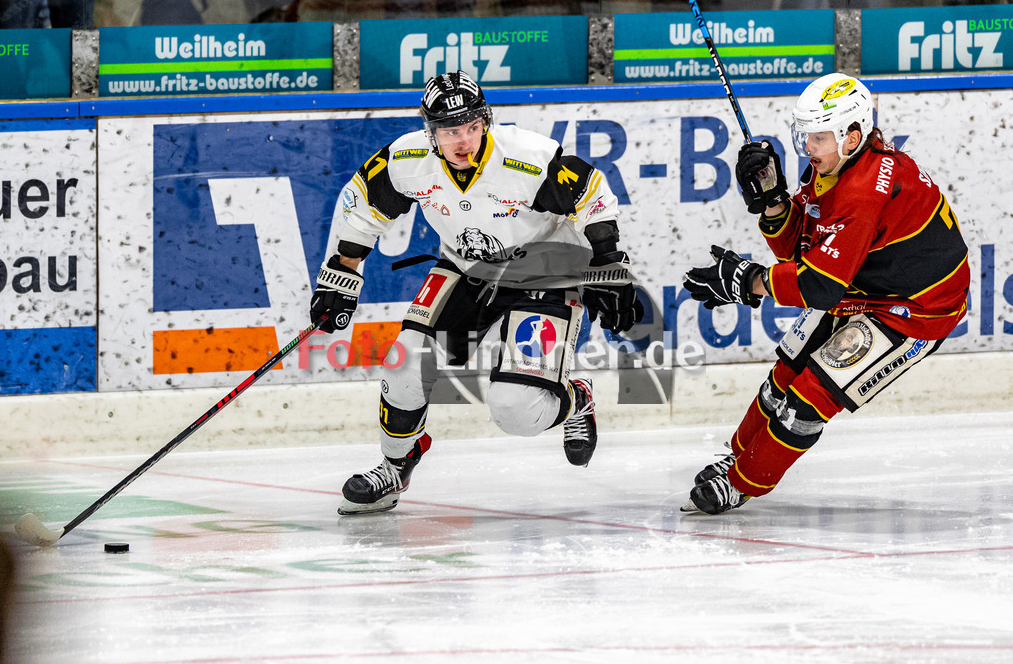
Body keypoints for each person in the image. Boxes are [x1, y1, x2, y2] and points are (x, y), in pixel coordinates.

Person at [310, 70, 643, 515]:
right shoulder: (406, 160)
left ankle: (576, 397)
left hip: (546, 275)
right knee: (403, 366)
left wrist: (608, 261)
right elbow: (363, 205)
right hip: (466, 268)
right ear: (431, 132)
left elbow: (590, 193)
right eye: (450, 131)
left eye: (471, 126)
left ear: (485, 121)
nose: (463, 140)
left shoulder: (527, 157)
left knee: (516, 410)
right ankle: (395, 466)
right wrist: (341, 274)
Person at [681, 72, 970, 515]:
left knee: (808, 400)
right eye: (805, 136)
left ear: (853, 135)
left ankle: (742, 482)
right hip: (866, 286)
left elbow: (818, 285)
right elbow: (804, 250)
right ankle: (738, 456)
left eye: (818, 137)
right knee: (785, 376)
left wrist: (750, 281)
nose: (807, 147)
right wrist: (775, 201)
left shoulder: (861, 194)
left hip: (914, 311)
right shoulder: (839, 167)